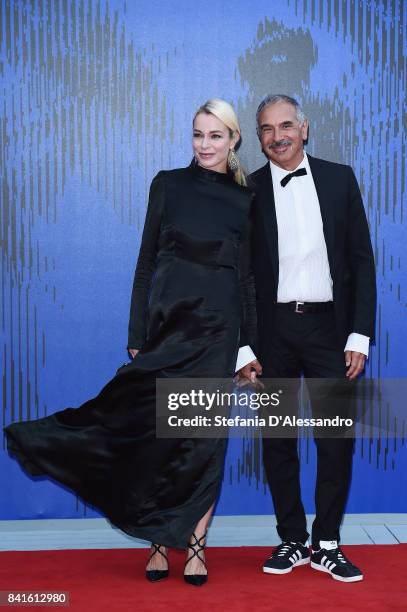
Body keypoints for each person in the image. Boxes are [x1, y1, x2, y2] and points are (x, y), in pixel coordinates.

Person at [4, 99, 257, 586]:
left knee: (203, 441)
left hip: (217, 336)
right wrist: (137, 334)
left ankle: (197, 548)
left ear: (233, 140)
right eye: (197, 134)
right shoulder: (167, 184)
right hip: (167, 332)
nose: (204, 145)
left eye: (215, 136)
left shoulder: (247, 202)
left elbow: (247, 283)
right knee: (155, 436)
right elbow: (145, 265)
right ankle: (159, 540)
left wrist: (247, 347)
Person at [238, 94, 376, 582]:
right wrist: (244, 346)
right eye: (266, 129)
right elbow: (238, 278)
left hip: (331, 331)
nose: (277, 136)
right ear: (258, 137)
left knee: (335, 437)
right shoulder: (247, 190)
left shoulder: (340, 179)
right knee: (278, 437)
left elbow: (361, 260)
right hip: (272, 332)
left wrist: (359, 334)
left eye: (285, 125)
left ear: (305, 127)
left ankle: (328, 543)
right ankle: (292, 539)